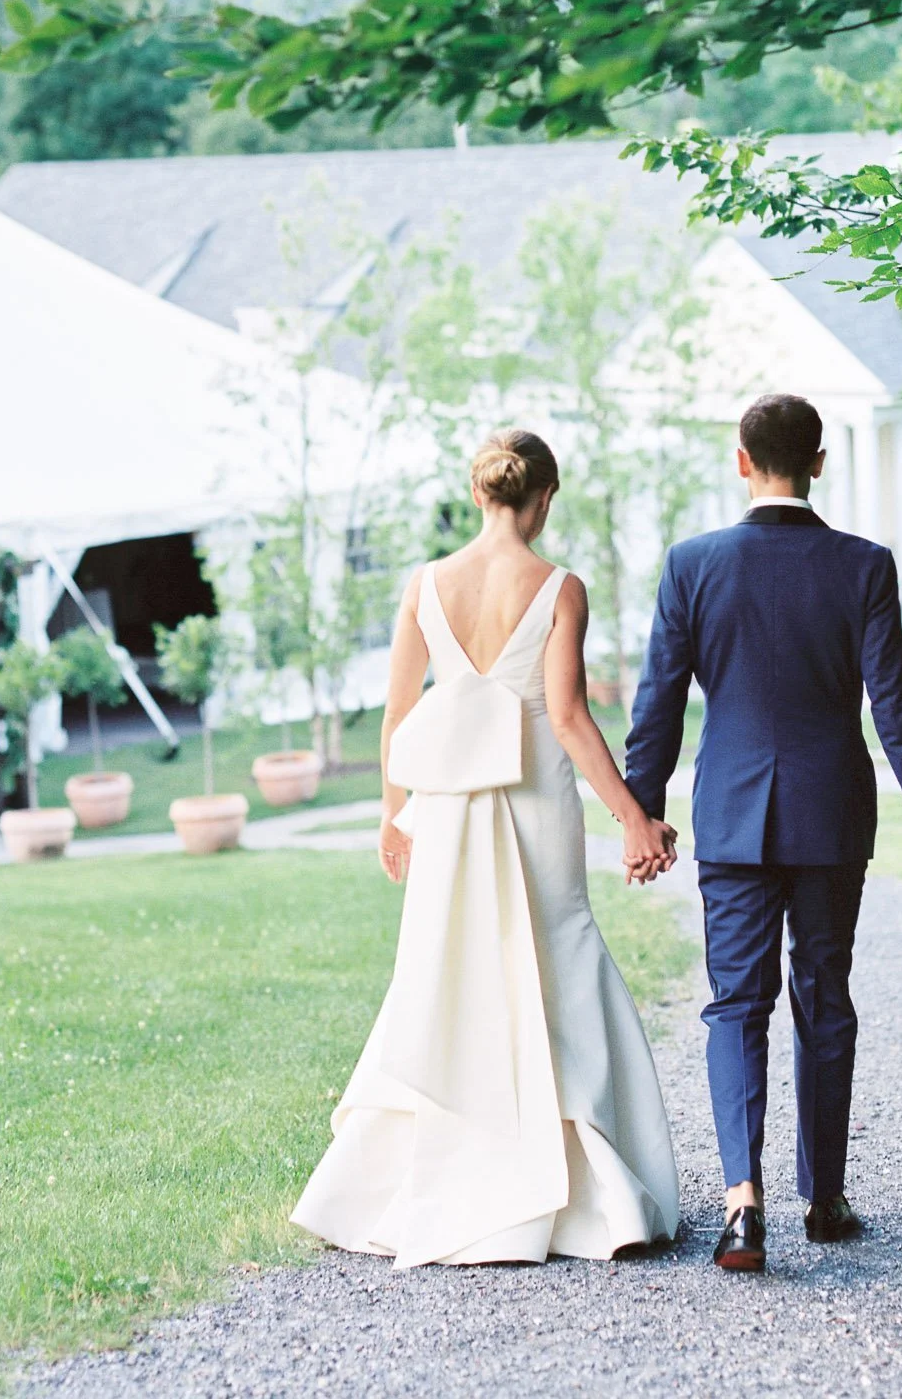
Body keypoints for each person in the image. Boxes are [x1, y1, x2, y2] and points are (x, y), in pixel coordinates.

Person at [291, 428, 681, 1267]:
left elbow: (399, 716)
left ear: (479, 495)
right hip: (536, 804)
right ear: (544, 499)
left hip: (448, 812)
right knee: (559, 963)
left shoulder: (425, 585)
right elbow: (570, 720)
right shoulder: (558, 586)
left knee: (451, 970)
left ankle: (425, 1181)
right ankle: (588, 1197)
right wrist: (634, 818)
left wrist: (393, 816)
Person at [625, 393, 902, 1273]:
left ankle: (742, 1206)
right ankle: (826, 1198)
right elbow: (897, 707)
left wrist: (641, 810)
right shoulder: (864, 567)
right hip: (829, 816)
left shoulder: (693, 564)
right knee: (825, 999)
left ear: (741, 460)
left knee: (736, 1003)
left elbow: (656, 701)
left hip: (732, 819)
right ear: (819, 463)